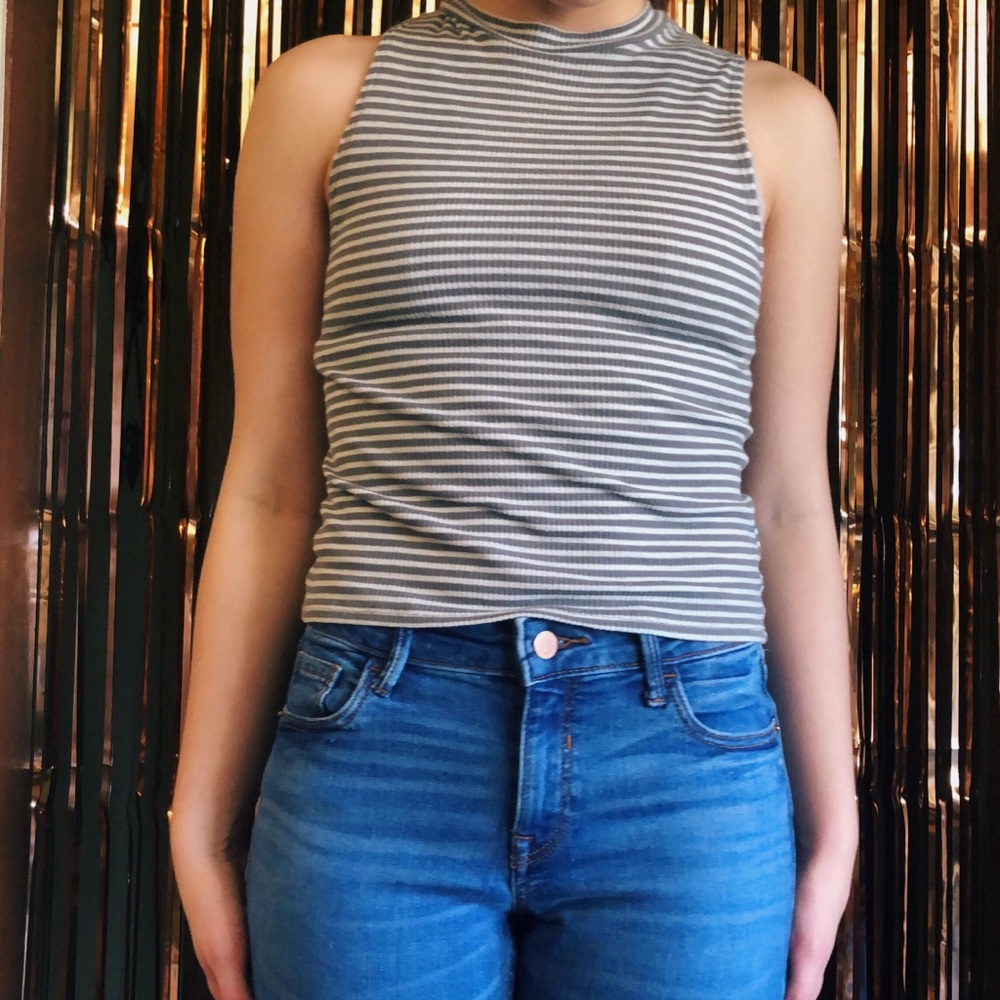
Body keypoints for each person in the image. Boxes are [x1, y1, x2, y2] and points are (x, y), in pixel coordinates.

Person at [169, 0, 859, 996]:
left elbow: (789, 496)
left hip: (683, 764)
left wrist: (833, 827)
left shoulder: (775, 118)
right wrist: (197, 820)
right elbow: (273, 485)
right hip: (382, 742)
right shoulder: (322, 95)